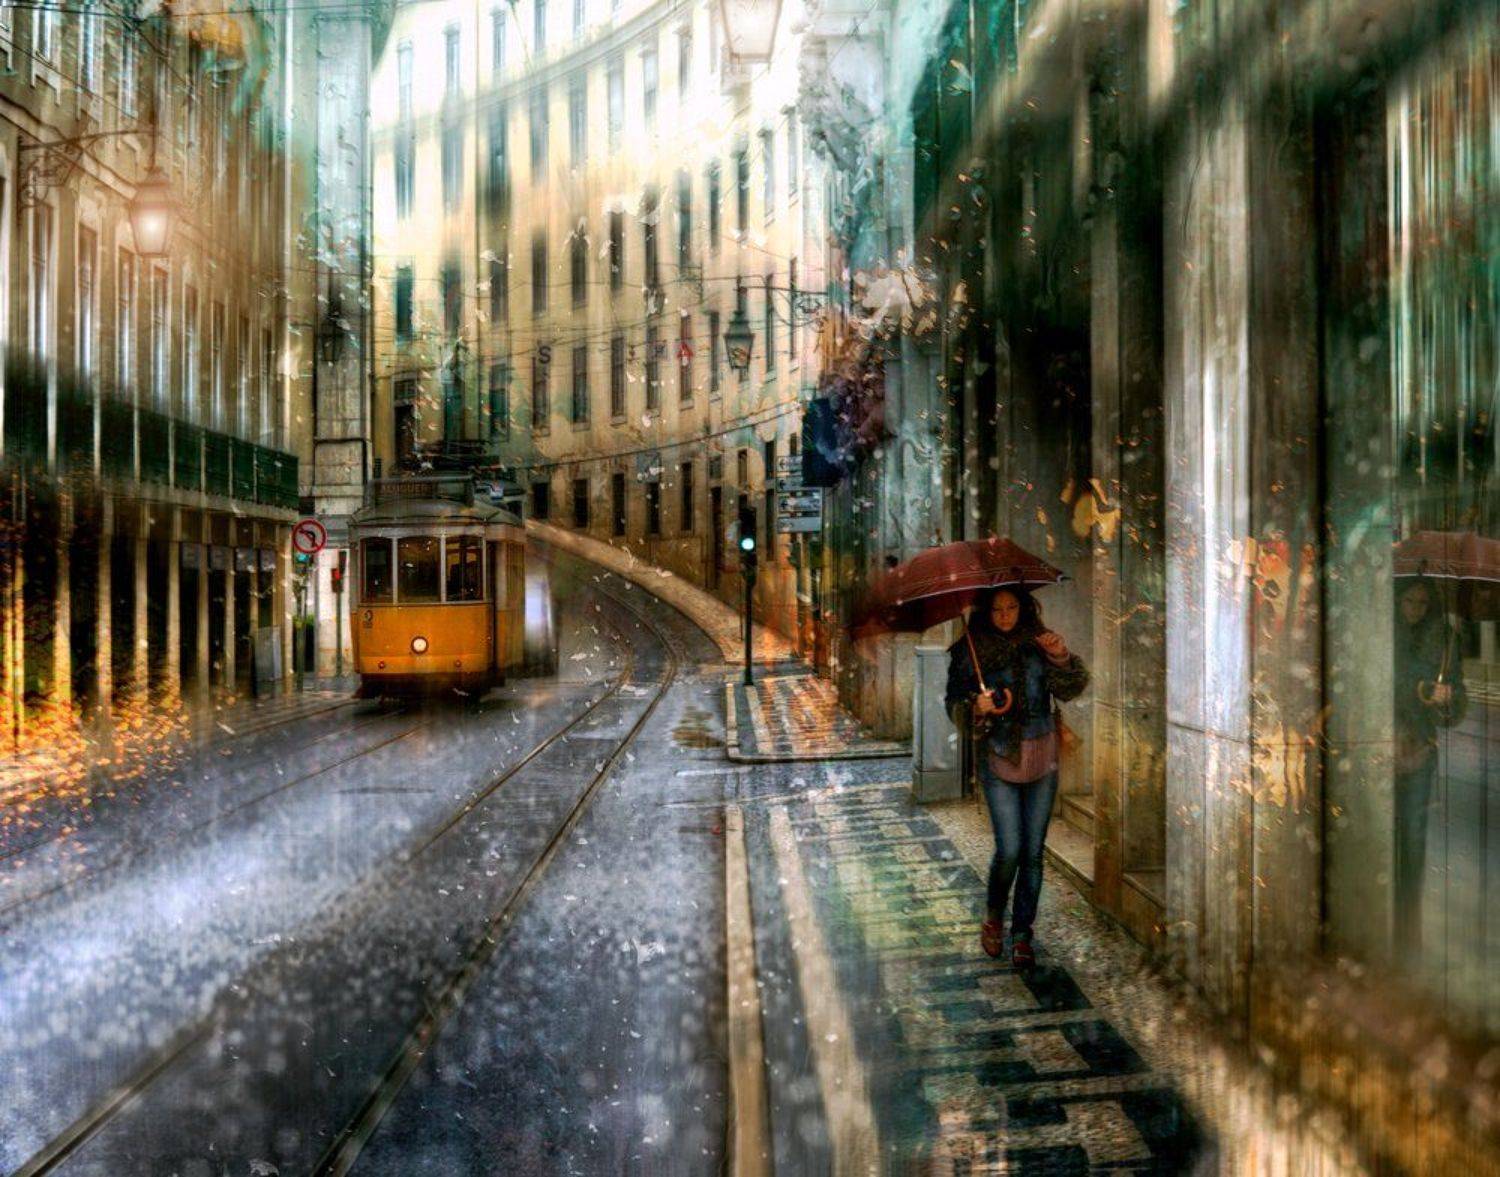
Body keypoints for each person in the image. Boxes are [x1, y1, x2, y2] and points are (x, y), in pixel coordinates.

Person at [945, 586, 1088, 968]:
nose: (1005, 616)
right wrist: (974, 706)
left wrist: (1060, 657)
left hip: (1043, 756)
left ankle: (1023, 933)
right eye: (997, 609)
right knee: (1009, 849)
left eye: (1012, 607)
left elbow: (1071, 688)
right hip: (999, 757)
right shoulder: (969, 650)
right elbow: (952, 704)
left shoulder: (1039, 642)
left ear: (1023, 608)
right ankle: (994, 915)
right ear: (986, 612)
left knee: (1033, 852)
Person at [1392, 578, 1467, 954]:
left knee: (1412, 839)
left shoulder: (1444, 640)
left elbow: (1456, 703)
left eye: (1423, 603)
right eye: (1410, 601)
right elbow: (1382, 678)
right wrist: (1419, 689)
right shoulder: (1383, 631)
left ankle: (1408, 928)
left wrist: (1447, 699)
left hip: (1420, 751)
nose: (1416, 610)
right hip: (1380, 745)